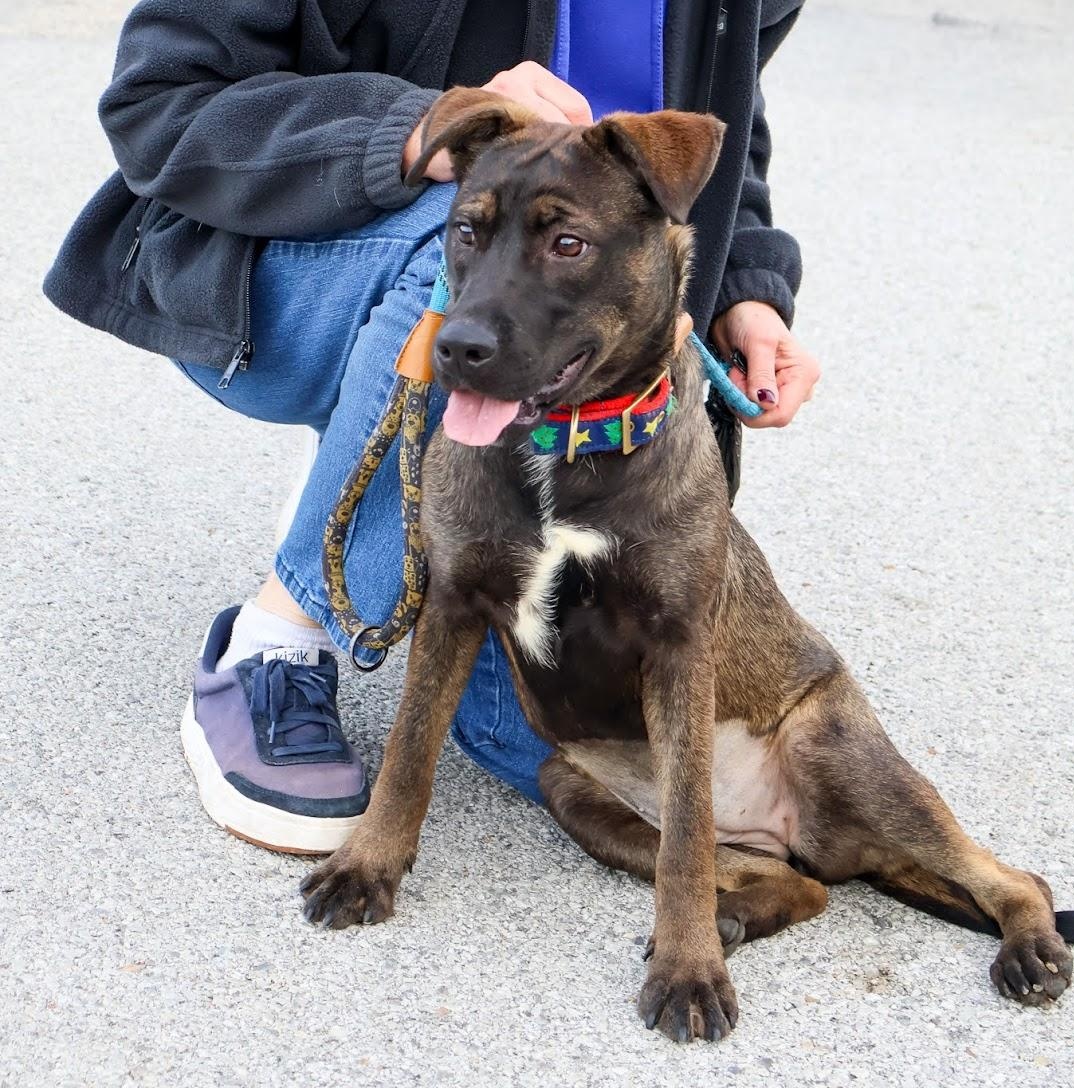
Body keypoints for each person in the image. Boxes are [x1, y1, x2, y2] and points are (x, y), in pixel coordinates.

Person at [44, 0, 821, 853]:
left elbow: (722, 105)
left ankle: (398, 482)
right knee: (470, 249)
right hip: (289, 259)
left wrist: (746, 285)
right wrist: (413, 129)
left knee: (533, 745)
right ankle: (275, 644)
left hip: (563, 321)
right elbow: (159, 102)